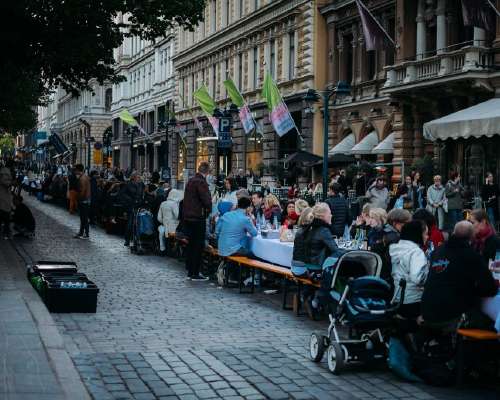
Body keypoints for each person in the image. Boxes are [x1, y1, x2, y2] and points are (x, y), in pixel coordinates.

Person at [422, 221, 497, 328]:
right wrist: (474, 291)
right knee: (491, 323)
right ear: (472, 237)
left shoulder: (438, 251)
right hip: (452, 314)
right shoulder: (471, 255)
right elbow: (490, 288)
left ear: (453, 232)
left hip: (427, 310)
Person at [389, 220, 429, 320]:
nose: (427, 237)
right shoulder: (416, 252)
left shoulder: (396, 248)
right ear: (417, 235)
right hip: (413, 301)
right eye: (426, 234)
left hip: (397, 298)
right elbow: (417, 278)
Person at [183, 162, 212, 281]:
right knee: (198, 245)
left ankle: (190, 270)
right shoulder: (201, 182)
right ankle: (195, 272)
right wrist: (209, 210)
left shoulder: (191, 181)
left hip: (188, 217)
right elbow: (206, 200)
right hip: (197, 217)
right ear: (207, 172)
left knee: (191, 245)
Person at [292, 202, 346, 268]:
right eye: (329, 213)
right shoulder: (323, 230)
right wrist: (349, 253)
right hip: (311, 269)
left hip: (295, 267)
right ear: (323, 216)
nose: (331, 215)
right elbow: (336, 251)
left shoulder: (306, 227)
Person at [371, 208, 411, 283]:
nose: (407, 226)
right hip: (388, 277)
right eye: (405, 223)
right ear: (396, 223)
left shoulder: (383, 231)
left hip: (378, 273)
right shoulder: (394, 237)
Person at [120, 172, 145, 246]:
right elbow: (123, 194)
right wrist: (130, 199)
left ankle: (139, 239)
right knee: (130, 223)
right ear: (133, 177)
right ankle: (127, 239)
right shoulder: (128, 184)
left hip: (139, 205)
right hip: (131, 206)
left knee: (140, 222)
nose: (139, 178)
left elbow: (143, 192)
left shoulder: (141, 184)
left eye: (139, 177)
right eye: (138, 177)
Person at [157, 189, 183, 254]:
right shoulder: (174, 204)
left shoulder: (163, 203)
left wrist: (164, 222)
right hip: (173, 227)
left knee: (161, 233)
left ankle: (162, 249)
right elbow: (177, 216)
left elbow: (159, 218)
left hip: (164, 226)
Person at [73, 164, 91, 239]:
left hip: (83, 200)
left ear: (77, 170)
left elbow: (83, 190)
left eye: (75, 170)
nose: (74, 171)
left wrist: (79, 198)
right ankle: (83, 233)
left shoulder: (82, 178)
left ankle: (84, 233)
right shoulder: (85, 177)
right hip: (86, 200)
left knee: (83, 218)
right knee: (84, 218)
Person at [0, 167, 13, 239]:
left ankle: (6, 232)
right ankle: (6, 233)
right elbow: (6, 183)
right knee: (6, 217)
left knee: (5, 216)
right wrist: (11, 182)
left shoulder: (3, 173)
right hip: (3, 199)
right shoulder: (4, 173)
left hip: (4, 199)